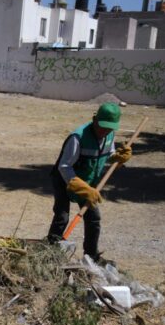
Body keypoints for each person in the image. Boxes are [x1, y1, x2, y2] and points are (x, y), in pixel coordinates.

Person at [47, 103, 132, 261]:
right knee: (62, 216)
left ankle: (91, 256)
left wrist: (117, 158)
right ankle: (50, 252)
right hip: (64, 180)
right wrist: (80, 187)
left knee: (93, 218)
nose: (105, 132)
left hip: (88, 182)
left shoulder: (109, 135)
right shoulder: (78, 137)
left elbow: (109, 153)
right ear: (95, 120)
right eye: (102, 127)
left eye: (109, 128)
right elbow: (64, 166)